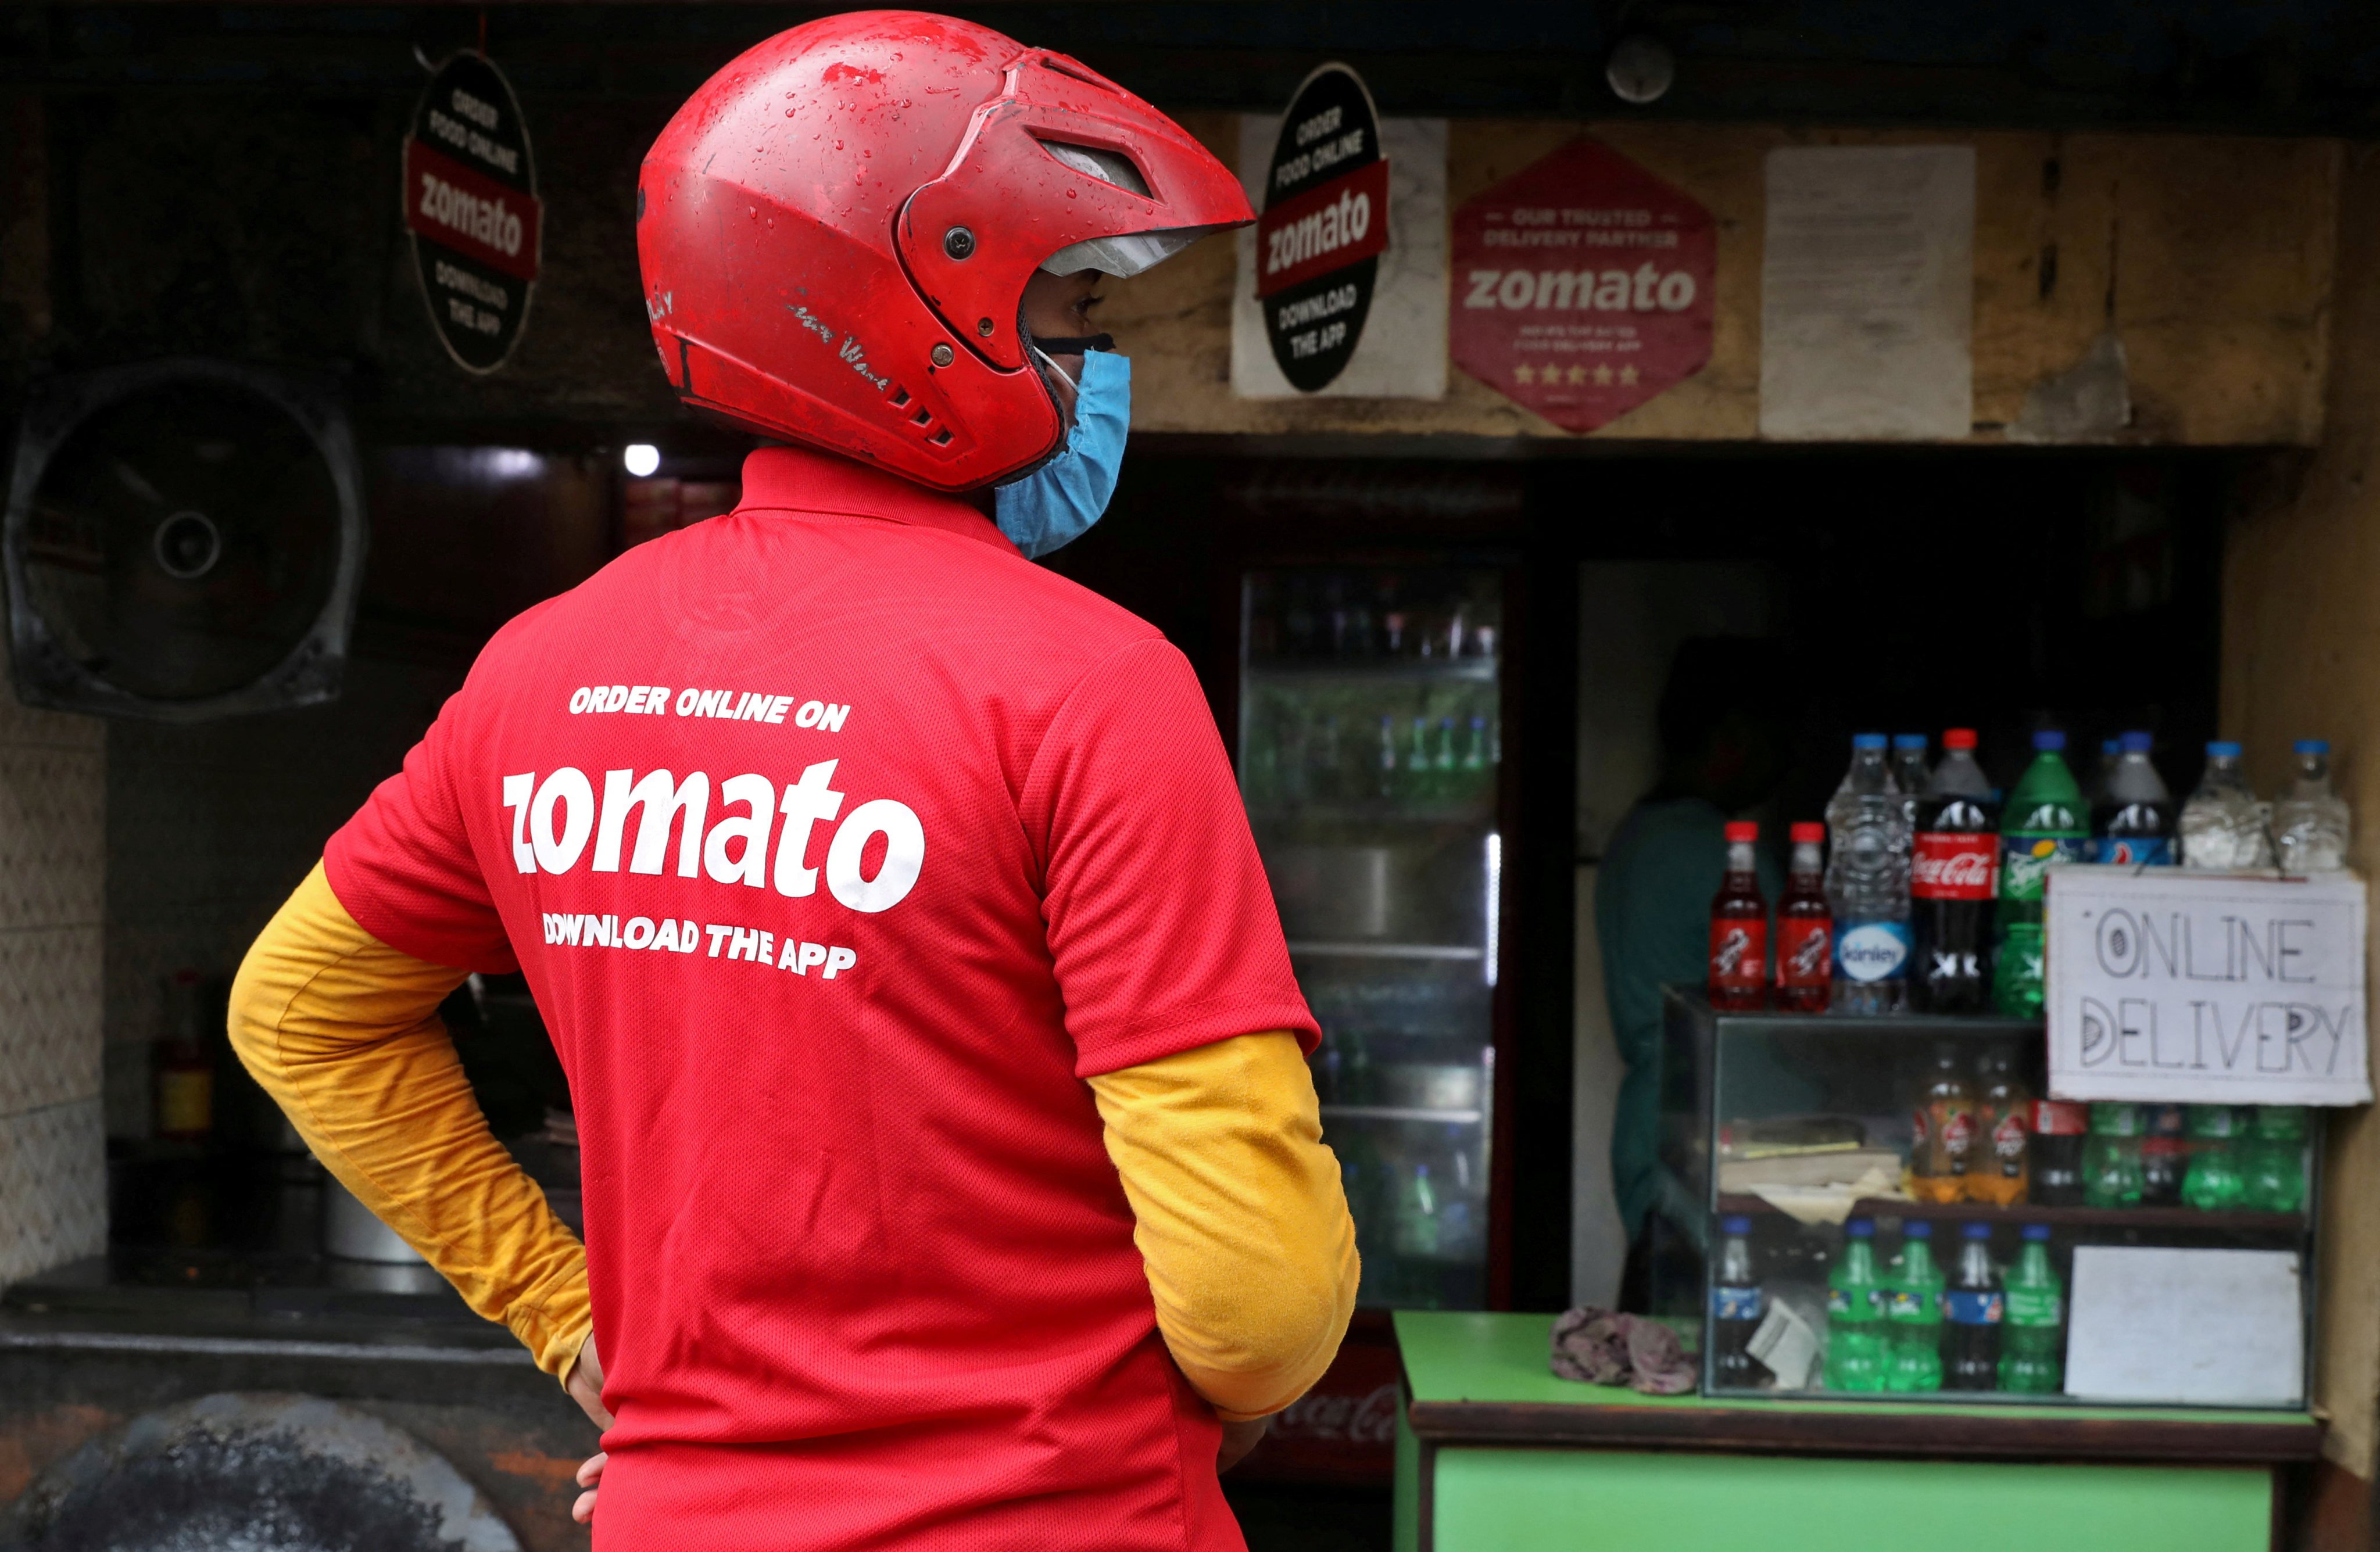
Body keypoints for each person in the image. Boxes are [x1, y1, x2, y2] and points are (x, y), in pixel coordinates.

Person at [228, 15, 1356, 1551]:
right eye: (1078, 314)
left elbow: (295, 1008)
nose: (1102, 371)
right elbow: (1254, 1303)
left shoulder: (539, 671)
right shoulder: (1090, 687)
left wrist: (570, 1318)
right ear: (927, 318)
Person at [1595, 637, 1785, 1306]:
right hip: (1705, 1137)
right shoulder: (1719, 856)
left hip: (1659, 1130)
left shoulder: (1638, 837)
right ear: (1731, 738)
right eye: (1771, 736)